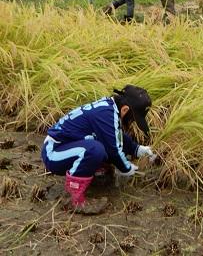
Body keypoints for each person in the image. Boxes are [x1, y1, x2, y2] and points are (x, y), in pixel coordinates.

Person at [41, 85, 156, 214]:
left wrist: (137, 149)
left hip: (68, 146)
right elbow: (113, 150)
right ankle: (74, 198)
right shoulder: (106, 114)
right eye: (133, 119)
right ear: (125, 110)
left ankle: (93, 174)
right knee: (95, 150)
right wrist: (125, 168)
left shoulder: (108, 108)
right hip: (54, 153)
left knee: (99, 147)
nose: (132, 122)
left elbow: (114, 135)